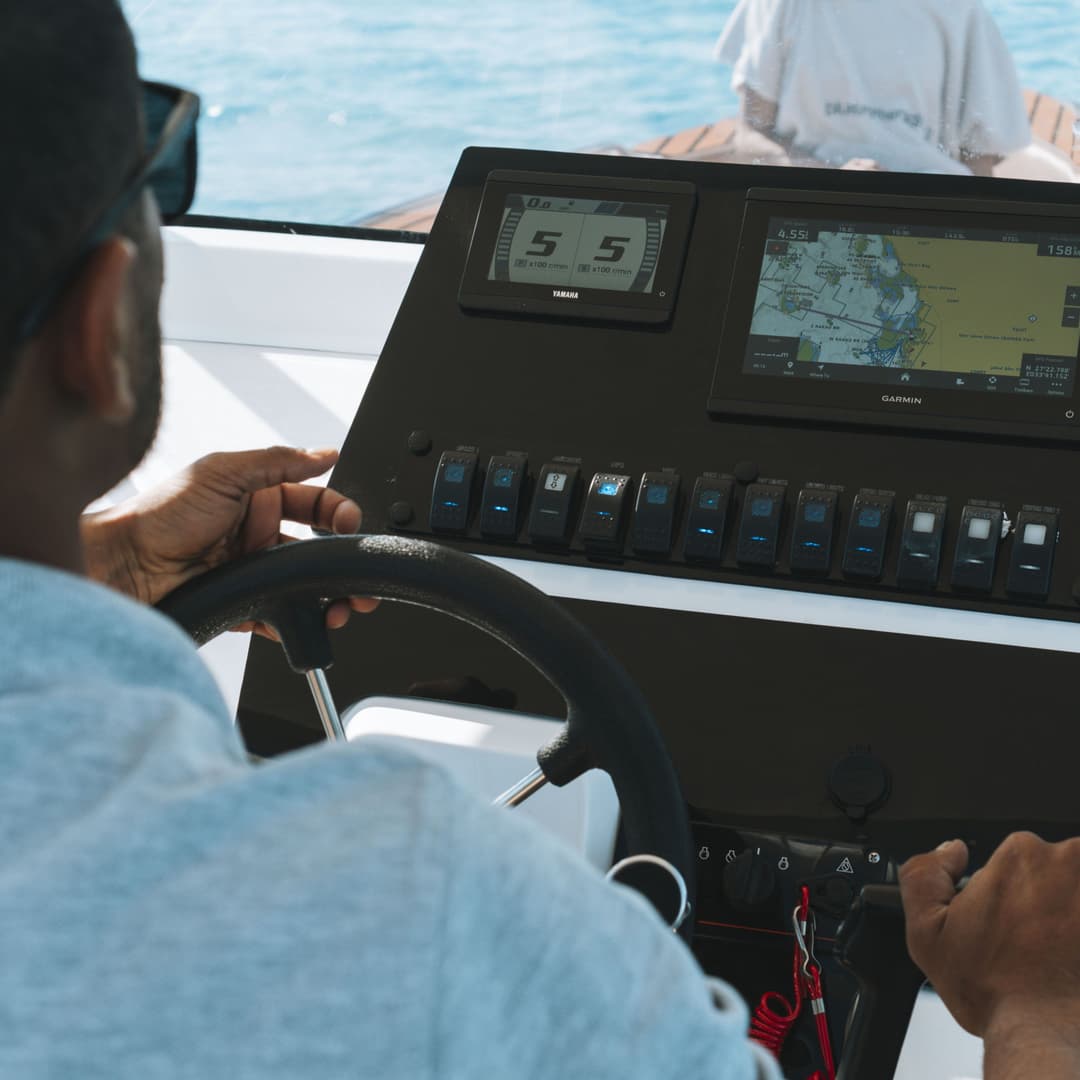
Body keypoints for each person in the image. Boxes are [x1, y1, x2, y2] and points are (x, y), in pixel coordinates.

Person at [2, 2, 1080, 1078]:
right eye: (162, 178)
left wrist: (123, 566)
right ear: (101, 331)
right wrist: (1038, 1006)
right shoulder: (431, 914)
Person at [714, 0, 1032, 175]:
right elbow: (749, 137)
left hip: (929, 216)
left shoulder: (962, 12)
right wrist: (829, 176)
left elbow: (979, 166)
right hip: (807, 204)